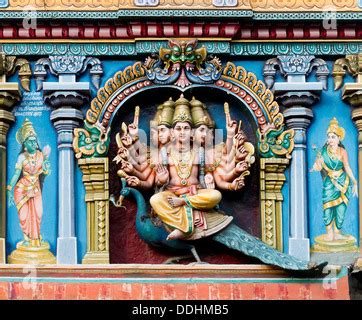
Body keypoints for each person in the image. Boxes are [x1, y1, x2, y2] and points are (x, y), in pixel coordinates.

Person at [311, 117, 358, 241]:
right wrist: (316, 166)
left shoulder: (343, 151)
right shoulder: (323, 151)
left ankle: (337, 233)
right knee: (327, 208)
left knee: (341, 210)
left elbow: (347, 167)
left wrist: (355, 181)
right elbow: (318, 164)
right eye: (329, 136)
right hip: (329, 183)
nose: (330, 139)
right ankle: (329, 233)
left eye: (333, 137)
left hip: (343, 182)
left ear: (339, 138)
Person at [7, 119, 51, 247]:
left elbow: (45, 172)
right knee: (24, 215)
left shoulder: (41, 155)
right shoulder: (22, 157)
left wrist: (46, 168)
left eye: (34, 139)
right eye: (30, 140)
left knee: (38, 212)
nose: (34, 142)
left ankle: (36, 237)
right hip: (22, 190)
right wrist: (8, 188)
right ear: (25, 143)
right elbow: (16, 174)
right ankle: (26, 238)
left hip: (35, 189)